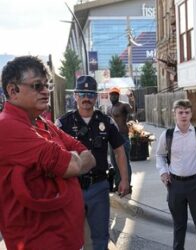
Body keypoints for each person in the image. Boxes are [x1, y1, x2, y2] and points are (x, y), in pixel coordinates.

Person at [0, 56, 96, 250]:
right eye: (37, 86)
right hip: (38, 241)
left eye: (47, 85)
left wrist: (59, 166)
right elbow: (74, 165)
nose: (45, 91)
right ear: (12, 90)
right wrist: (69, 163)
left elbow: (89, 157)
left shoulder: (43, 123)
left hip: (67, 238)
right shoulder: (7, 126)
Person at [55, 76, 130, 250]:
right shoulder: (62, 123)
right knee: (69, 236)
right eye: (82, 93)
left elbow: (119, 151)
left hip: (99, 186)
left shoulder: (106, 121)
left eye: (90, 94)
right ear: (75, 95)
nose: (86, 98)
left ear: (96, 97)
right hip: (71, 187)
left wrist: (124, 180)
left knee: (100, 237)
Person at [156, 98, 196, 250]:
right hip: (175, 185)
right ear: (174, 114)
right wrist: (163, 172)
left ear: (191, 114)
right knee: (179, 226)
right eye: (180, 112)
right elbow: (160, 155)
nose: (184, 115)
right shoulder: (167, 135)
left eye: (187, 112)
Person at [107, 87, 133, 191]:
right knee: (114, 163)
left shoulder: (123, 105)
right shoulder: (109, 108)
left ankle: (128, 185)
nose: (114, 96)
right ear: (109, 96)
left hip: (122, 137)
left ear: (118, 96)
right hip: (112, 139)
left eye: (116, 94)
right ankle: (118, 184)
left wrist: (131, 99)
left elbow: (132, 110)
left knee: (125, 161)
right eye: (112, 94)